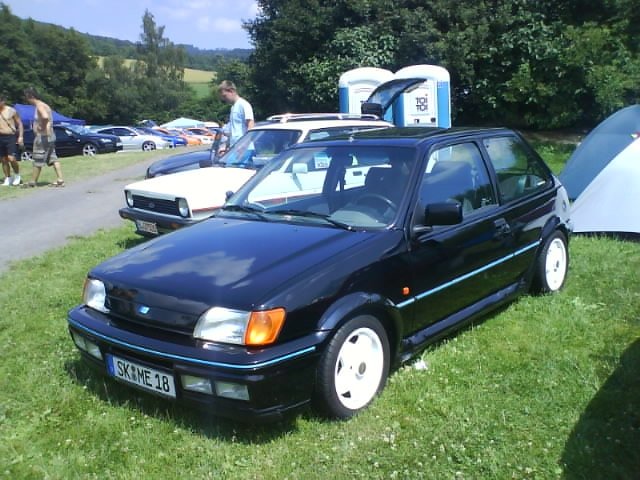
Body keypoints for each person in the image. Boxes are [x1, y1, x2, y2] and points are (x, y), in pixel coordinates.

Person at [23, 87, 64, 188]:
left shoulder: (40, 106)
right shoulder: (45, 105)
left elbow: (45, 117)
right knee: (53, 158)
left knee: (38, 158)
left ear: (31, 96)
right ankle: (60, 179)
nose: (27, 101)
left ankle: (33, 182)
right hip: (50, 135)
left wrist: (41, 126)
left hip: (43, 137)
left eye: (27, 98)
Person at [218, 80, 254, 152]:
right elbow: (233, 130)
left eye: (225, 96)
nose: (224, 99)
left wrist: (244, 145)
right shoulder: (233, 107)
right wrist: (226, 146)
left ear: (231, 91)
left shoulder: (244, 105)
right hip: (235, 148)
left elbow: (250, 125)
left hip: (245, 149)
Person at [0, 94, 24, 186]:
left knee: (11, 158)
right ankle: (8, 178)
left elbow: (20, 124)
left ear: (3, 101)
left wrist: (20, 136)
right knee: (3, 159)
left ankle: (17, 175)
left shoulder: (11, 111)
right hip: (0, 137)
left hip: (10, 136)